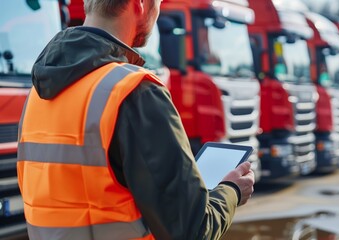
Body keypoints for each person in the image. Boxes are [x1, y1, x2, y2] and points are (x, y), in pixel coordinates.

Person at [16, 0, 255, 239]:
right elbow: (192, 230)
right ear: (140, 3)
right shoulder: (135, 91)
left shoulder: (37, 94)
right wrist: (231, 190)